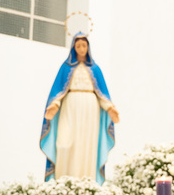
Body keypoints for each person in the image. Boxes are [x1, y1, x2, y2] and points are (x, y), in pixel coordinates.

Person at [39, 32, 119, 184]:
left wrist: (110, 108)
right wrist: (54, 105)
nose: (81, 49)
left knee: (87, 145)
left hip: (90, 109)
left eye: (84, 45)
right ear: (73, 48)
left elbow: (102, 94)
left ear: (88, 47)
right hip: (70, 106)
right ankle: (63, 182)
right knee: (64, 143)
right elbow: (58, 91)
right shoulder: (65, 68)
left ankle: (86, 182)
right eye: (78, 46)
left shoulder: (95, 69)